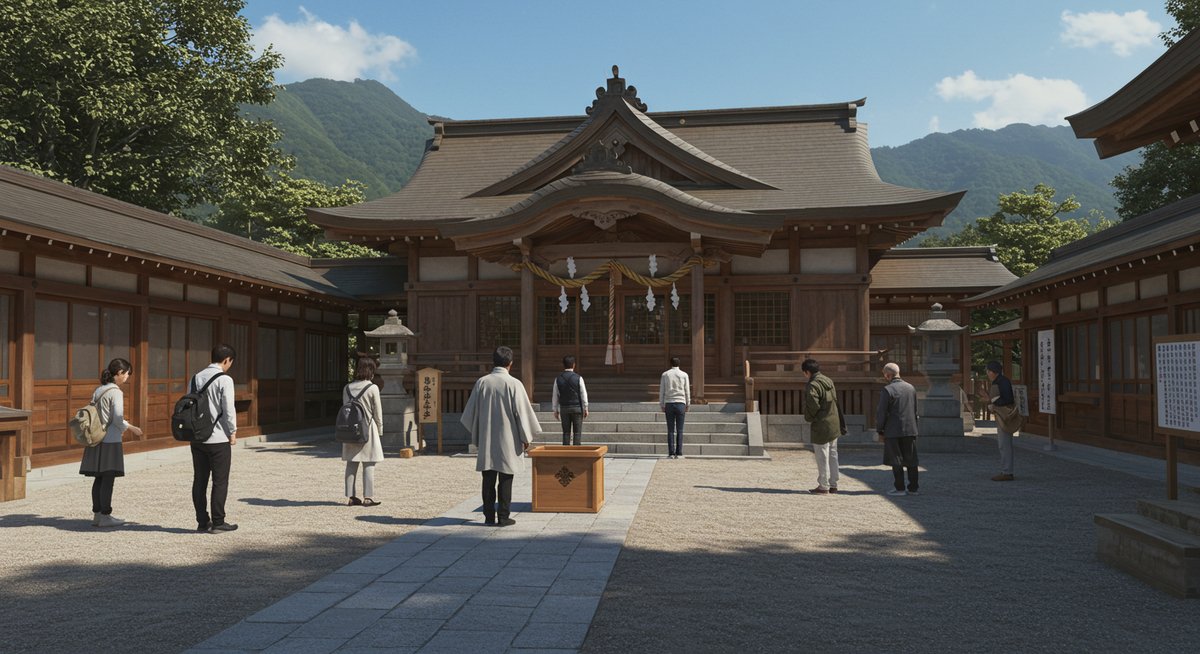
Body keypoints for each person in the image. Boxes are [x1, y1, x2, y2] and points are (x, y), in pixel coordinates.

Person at [460, 346, 542, 526]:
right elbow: (522, 413)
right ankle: (503, 516)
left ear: (493, 362)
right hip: (508, 438)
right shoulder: (514, 384)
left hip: (488, 437)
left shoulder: (482, 383)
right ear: (510, 363)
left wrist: (478, 432)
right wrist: (525, 437)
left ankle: (489, 516)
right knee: (506, 477)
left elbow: (470, 413)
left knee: (488, 478)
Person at [79, 358, 143, 527]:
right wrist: (131, 428)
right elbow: (117, 418)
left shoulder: (99, 390)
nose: (127, 377)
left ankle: (97, 515)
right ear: (120, 373)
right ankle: (106, 515)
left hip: (96, 437)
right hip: (110, 439)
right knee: (108, 478)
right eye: (127, 374)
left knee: (98, 478)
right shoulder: (116, 392)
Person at [191, 344, 238, 533]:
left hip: (197, 437)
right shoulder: (225, 379)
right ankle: (218, 521)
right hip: (217, 437)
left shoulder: (195, 378)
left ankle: (202, 521)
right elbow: (228, 408)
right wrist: (232, 431)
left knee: (199, 480)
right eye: (230, 362)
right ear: (227, 360)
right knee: (220, 480)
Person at [343, 357, 385, 506]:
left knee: (351, 463)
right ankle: (368, 497)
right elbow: (377, 412)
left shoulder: (347, 388)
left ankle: (350, 496)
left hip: (350, 429)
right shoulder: (372, 388)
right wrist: (380, 430)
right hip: (368, 428)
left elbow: (345, 409)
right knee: (369, 463)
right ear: (371, 370)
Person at [876, 362, 919, 496]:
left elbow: (882, 412)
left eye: (885, 375)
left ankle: (900, 488)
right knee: (911, 460)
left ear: (888, 375)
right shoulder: (911, 388)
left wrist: (880, 429)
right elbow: (915, 409)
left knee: (896, 460)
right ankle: (913, 488)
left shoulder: (887, 390)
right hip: (910, 428)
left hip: (893, 429)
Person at [801, 359, 842, 495]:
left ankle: (823, 485)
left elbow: (813, 405)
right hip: (833, 422)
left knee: (822, 455)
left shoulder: (813, 385)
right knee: (833, 454)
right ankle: (833, 484)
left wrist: (809, 417)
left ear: (807, 372)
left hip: (821, 423)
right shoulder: (828, 380)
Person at [986, 360, 1021, 482]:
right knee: (1003, 443)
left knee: (1004, 443)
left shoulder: (1002, 382)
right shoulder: (1000, 381)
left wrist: (994, 403)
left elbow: (1008, 399)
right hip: (1001, 415)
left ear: (994, 372)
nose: (987, 373)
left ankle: (1007, 472)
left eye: (989, 371)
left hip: (1005, 415)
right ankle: (1006, 470)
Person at [552, 355, 589, 446]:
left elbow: (555, 395)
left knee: (566, 433)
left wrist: (555, 410)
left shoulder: (558, 379)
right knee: (577, 433)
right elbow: (583, 394)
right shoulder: (579, 378)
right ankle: (576, 452)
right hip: (577, 408)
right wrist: (586, 407)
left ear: (563, 365)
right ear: (574, 365)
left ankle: (565, 452)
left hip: (564, 408)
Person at [659, 357, 690, 458]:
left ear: (670, 363)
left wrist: (661, 404)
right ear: (679, 364)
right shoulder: (684, 375)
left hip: (669, 402)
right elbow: (687, 390)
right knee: (680, 429)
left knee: (670, 429)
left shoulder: (665, 374)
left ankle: (671, 452)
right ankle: (679, 452)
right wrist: (688, 403)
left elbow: (662, 390)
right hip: (681, 402)